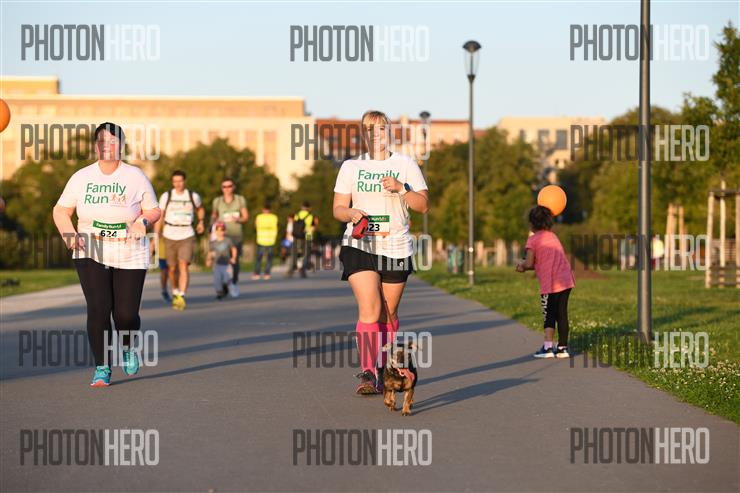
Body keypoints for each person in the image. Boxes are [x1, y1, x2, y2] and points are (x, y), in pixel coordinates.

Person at [52, 122, 161, 387]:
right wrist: (70, 236)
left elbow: (154, 210)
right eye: (102, 141)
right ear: (95, 146)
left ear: (121, 146)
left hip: (129, 250)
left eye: (113, 141)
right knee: (99, 309)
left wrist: (142, 222)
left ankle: (128, 346)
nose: (107, 146)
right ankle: (102, 367)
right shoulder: (81, 177)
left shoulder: (135, 176)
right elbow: (61, 211)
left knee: (125, 315)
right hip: (90, 248)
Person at [332, 110, 429, 394]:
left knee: (388, 313)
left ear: (389, 132)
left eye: (381, 128)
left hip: (396, 246)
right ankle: (367, 372)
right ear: (363, 134)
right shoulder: (351, 166)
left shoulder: (405, 164)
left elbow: (423, 205)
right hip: (360, 244)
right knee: (370, 309)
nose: (375, 134)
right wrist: (350, 213)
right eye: (369, 129)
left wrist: (402, 188)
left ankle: (383, 364)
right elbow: (337, 208)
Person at [516, 205, 576, 359]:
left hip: (550, 283)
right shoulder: (553, 237)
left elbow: (530, 263)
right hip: (565, 281)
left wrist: (522, 266)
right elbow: (544, 259)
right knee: (562, 314)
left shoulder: (533, 240)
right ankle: (562, 348)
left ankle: (548, 348)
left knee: (549, 314)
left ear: (531, 223)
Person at [154, 170, 205, 310]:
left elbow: (200, 209)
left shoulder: (193, 196)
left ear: (184, 181)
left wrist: (201, 222)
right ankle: (175, 291)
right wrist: (155, 236)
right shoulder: (166, 196)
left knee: (183, 265)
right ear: (172, 182)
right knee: (171, 268)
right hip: (169, 234)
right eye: (175, 181)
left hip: (187, 233)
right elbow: (160, 216)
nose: (178, 184)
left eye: (180, 181)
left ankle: (181, 295)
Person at [211, 177, 248, 297]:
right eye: (224, 186)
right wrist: (213, 227)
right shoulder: (217, 201)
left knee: (234, 260)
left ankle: (233, 282)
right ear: (221, 188)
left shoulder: (239, 200)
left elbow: (245, 217)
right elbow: (214, 216)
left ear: (233, 187)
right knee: (221, 259)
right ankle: (223, 284)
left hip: (236, 234)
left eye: (229, 186)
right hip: (222, 235)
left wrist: (238, 219)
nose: (227, 189)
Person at [206, 221, 238, 299]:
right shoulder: (213, 242)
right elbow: (210, 252)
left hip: (227, 264)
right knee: (217, 280)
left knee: (227, 279)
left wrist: (233, 258)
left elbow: (233, 249)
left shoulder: (228, 240)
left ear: (225, 231)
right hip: (217, 264)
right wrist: (208, 260)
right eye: (218, 230)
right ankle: (219, 292)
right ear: (215, 231)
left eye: (222, 230)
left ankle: (226, 287)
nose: (220, 232)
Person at [289, 202, 318, 278]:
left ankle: (293, 266)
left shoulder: (297, 214)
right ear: (309, 208)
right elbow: (313, 227)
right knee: (306, 252)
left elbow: (293, 224)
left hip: (297, 235)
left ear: (302, 207)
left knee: (295, 251)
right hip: (308, 235)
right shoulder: (311, 216)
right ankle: (303, 268)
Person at [253, 202, 278, 280]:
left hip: (261, 239)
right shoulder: (274, 217)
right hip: (271, 240)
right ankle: (267, 273)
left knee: (259, 257)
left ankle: (257, 273)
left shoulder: (259, 217)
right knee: (269, 258)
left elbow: (255, 226)